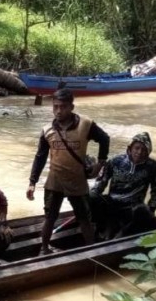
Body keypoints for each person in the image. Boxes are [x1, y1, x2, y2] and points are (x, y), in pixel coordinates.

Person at [27, 88, 110, 255]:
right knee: (50, 217)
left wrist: (100, 164)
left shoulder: (86, 125)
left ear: (71, 107)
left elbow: (104, 139)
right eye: (55, 106)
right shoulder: (47, 130)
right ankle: (44, 249)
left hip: (77, 179)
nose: (58, 111)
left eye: (63, 107)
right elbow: (40, 157)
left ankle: (91, 250)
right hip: (55, 179)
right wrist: (32, 182)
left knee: (84, 218)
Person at [89, 132, 156, 238]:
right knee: (90, 197)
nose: (139, 152)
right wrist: (91, 198)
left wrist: (152, 209)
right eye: (137, 148)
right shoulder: (115, 161)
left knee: (143, 211)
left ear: (148, 152)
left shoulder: (153, 166)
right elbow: (101, 182)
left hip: (133, 208)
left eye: (143, 150)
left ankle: (122, 235)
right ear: (130, 148)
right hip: (112, 203)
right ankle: (100, 230)